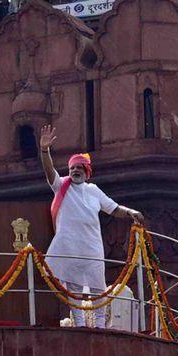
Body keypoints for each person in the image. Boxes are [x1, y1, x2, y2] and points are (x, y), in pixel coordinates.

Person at [39, 125, 144, 329]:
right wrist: (45, 150)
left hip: (92, 245)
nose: (75, 171)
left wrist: (131, 212)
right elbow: (49, 171)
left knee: (97, 288)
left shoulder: (93, 190)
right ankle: (79, 324)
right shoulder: (62, 186)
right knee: (74, 288)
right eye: (72, 168)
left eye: (79, 168)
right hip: (70, 245)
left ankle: (99, 325)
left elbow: (113, 209)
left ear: (87, 173)